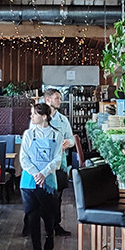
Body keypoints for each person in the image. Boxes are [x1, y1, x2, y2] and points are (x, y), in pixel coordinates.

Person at [19, 102, 60, 250]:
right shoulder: (28, 134)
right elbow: (23, 158)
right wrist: (36, 173)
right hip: (29, 181)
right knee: (32, 216)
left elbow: (57, 159)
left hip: (48, 182)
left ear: (44, 116)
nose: (31, 117)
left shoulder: (56, 135)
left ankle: (50, 234)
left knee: (48, 214)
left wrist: (44, 173)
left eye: (34, 114)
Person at [43, 88, 76, 238]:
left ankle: (56, 225)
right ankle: (39, 225)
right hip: (43, 163)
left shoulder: (63, 120)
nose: (60, 101)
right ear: (48, 100)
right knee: (43, 196)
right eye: (57, 98)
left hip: (60, 163)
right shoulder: (39, 117)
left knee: (57, 196)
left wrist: (68, 142)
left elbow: (72, 139)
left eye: (60, 98)